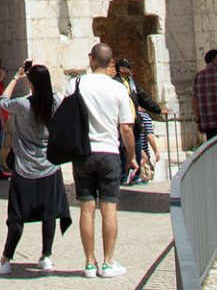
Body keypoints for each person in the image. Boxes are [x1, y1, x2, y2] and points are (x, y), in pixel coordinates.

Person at [0, 61, 71, 276]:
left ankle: (6, 259)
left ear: (31, 82)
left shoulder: (24, 105)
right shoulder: (56, 101)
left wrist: (16, 77)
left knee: (17, 216)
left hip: (25, 168)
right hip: (50, 167)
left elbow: (2, 101)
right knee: (49, 213)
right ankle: (46, 256)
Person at [73, 42, 136, 280]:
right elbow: (126, 128)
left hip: (83, 152)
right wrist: (132, 157)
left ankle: (89, 263)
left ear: (91, 59)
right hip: (109, 152)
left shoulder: (76, 84)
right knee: (109, 208)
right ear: (111, 63)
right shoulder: (118, 89)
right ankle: (108, 263)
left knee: (86, 209)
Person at [116, 58, 162, 185]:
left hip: (134, 123)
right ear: (121, 69)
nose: (131, 70)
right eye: (128, 67)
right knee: (123, 150)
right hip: (121, 123)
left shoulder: (131, 83)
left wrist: (158, 109)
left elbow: (143, 97)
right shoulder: (115, 83)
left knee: (136, 148)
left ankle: (134, 176)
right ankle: (123, 177)